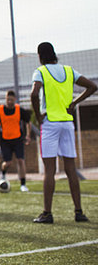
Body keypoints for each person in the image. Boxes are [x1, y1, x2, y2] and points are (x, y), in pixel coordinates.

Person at [30, 42, 96, 224]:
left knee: (49, 170)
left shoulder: (40, 71)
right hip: (67, 124)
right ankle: (79, 212)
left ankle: (47, 213)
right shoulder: (68, 70)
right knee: (70, 169)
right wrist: (74, 103)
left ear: (40, 56)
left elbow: (34, 94)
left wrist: (38, 115)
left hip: (50, 123)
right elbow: (92, 86)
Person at [0, 90, 32, 192]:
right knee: (7, 163)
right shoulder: (0, 110)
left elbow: (28, 122)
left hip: (18, 139)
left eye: (11, 100)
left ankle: (23, 184)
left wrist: (28, 135)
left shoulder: (19, 110)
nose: (9, 102)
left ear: (15, 100)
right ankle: (3, 175)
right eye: (8, 99)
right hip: (5, 140)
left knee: (20, 161)